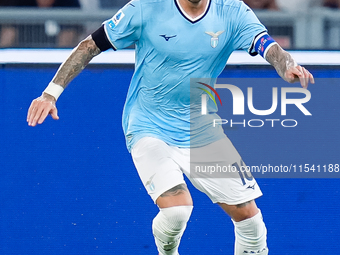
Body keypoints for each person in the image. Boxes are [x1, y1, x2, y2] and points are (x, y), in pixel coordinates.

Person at [27, 0, 314, 254]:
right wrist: (50, 93)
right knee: (177, 210)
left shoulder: (233, 11)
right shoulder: (145, 8)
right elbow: (90, 45)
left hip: (201, 127)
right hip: (147, 124)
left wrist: (286, 65)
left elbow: (268, 45)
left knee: (250, 220)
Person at [0, 0, 81, 48]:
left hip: (55, 64)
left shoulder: (69, 3)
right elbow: (9, 33)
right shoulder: (20, 3)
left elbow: (69, 36)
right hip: (24, 61)